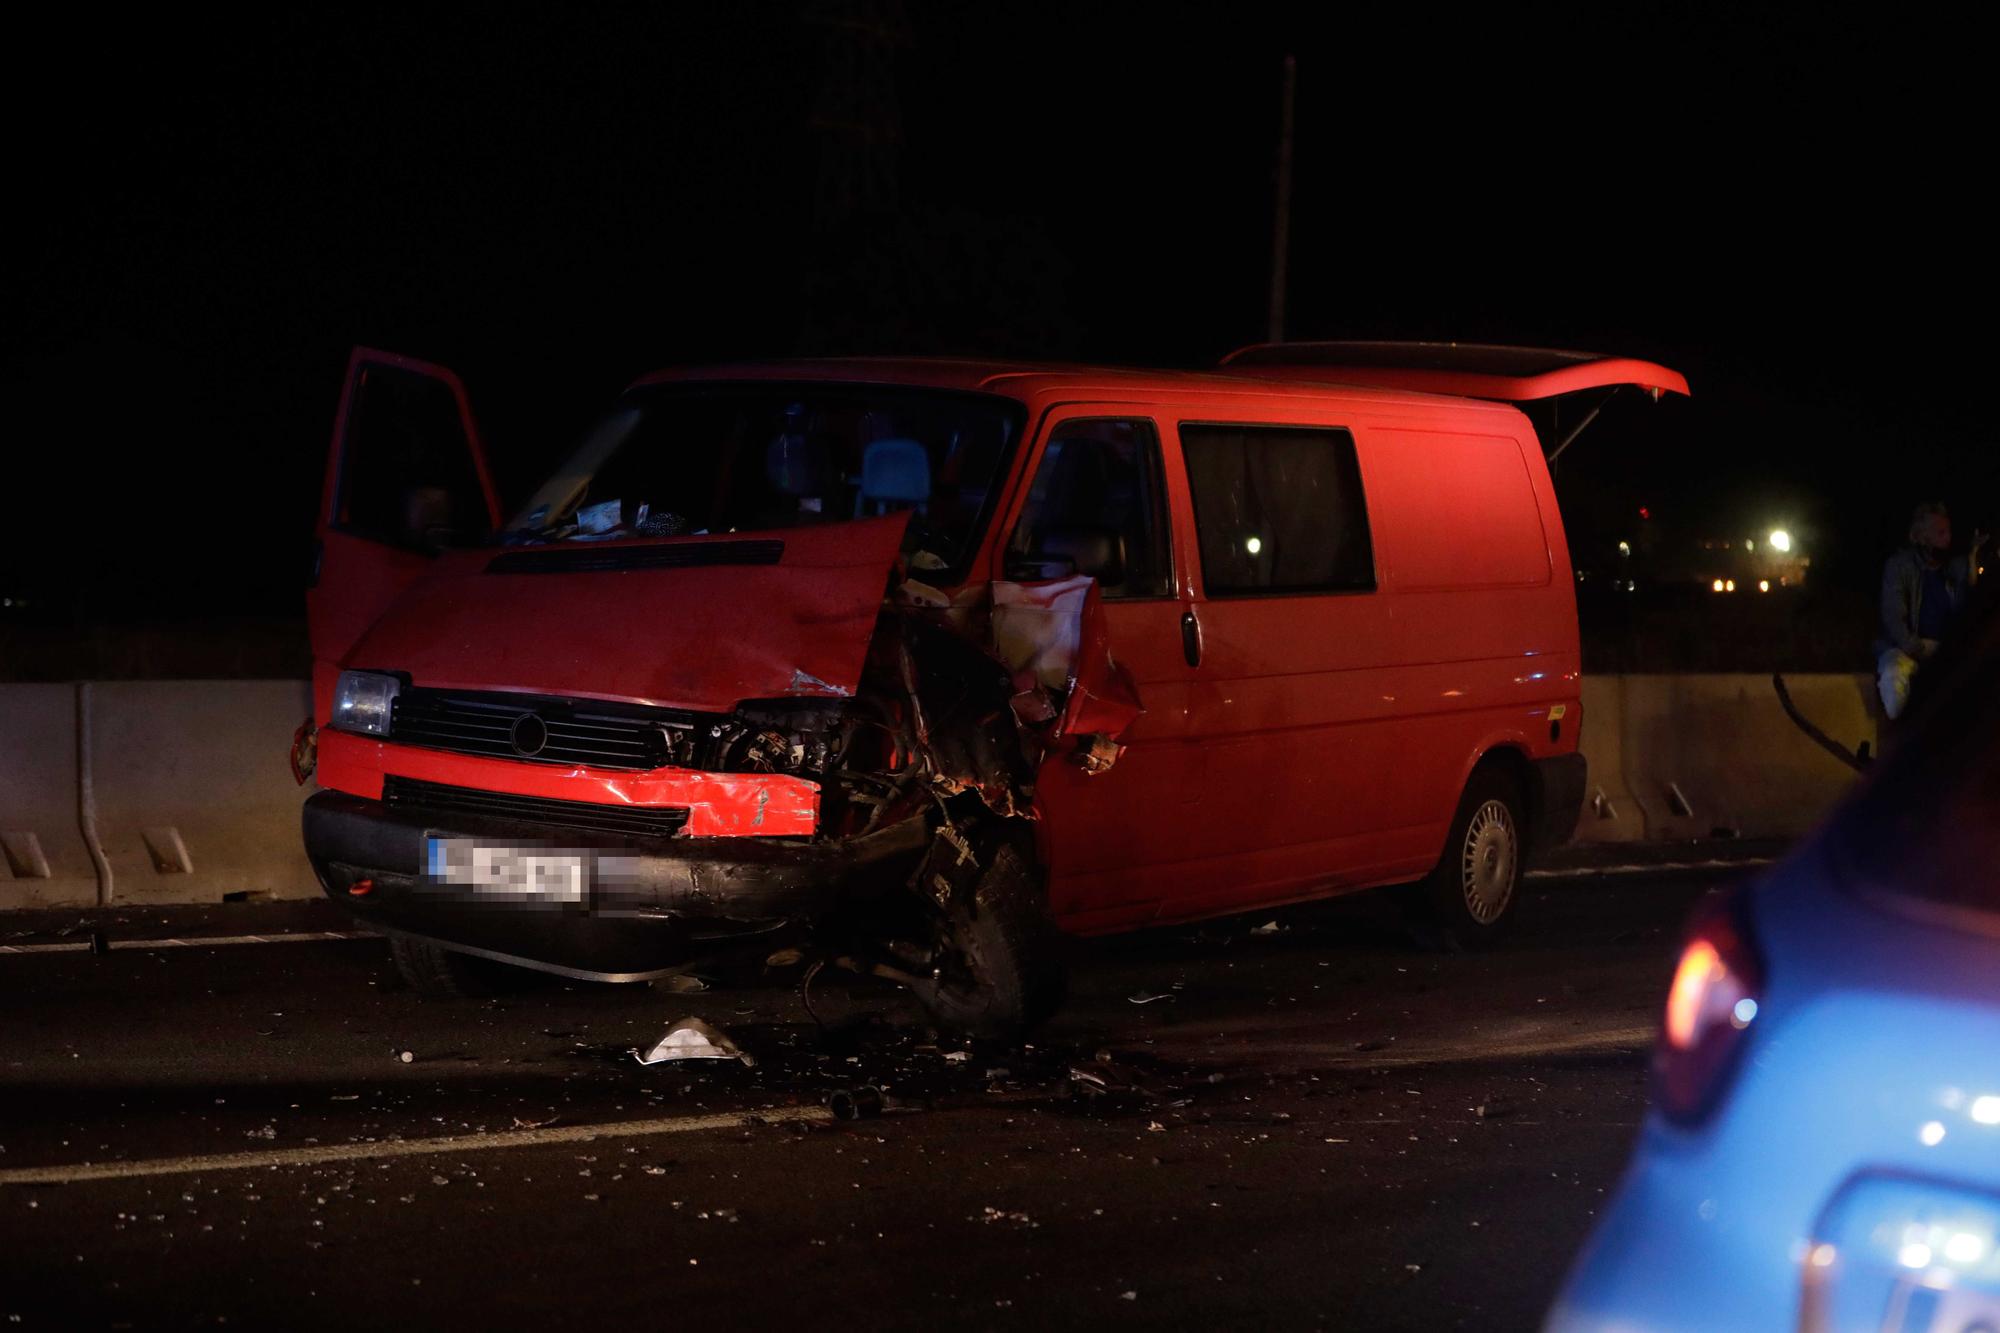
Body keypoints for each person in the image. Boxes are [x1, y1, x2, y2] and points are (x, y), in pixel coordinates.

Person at [1877, 502, 1985, 719]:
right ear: (1921, 537)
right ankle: (1902, 737)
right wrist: (1914, 646)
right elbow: (1893, 614)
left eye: (1948, 532)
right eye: (1940, 533)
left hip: (1944, 652)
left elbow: (1970, 604)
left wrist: (1973, 555)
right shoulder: (1900, 566)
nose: (1947, 538)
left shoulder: (1951, 570)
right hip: (1908, 650)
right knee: (1893, 675)